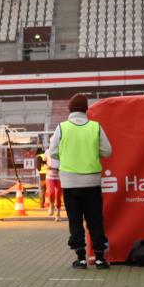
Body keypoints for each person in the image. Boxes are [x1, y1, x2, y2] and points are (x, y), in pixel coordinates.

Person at [48, 93, 113, 269]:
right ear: (86, 109)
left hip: (70, 183)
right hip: (92, 181)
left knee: (75, 221)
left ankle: (81, 258)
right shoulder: (95, 127)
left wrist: (67, 154)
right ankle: (100, 258)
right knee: (95, 220)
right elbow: (107, 151)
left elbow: (52, 152)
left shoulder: (62, 128)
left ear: (70, 108)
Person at [45, 153, 62, 222]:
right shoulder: (47, 151)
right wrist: (46, 166)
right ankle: (51, 205)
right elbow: (43, 162)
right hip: (50, 176)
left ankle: (58, 214)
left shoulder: (62, 150)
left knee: (58, 196)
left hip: (59, 177)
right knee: (51, 192)